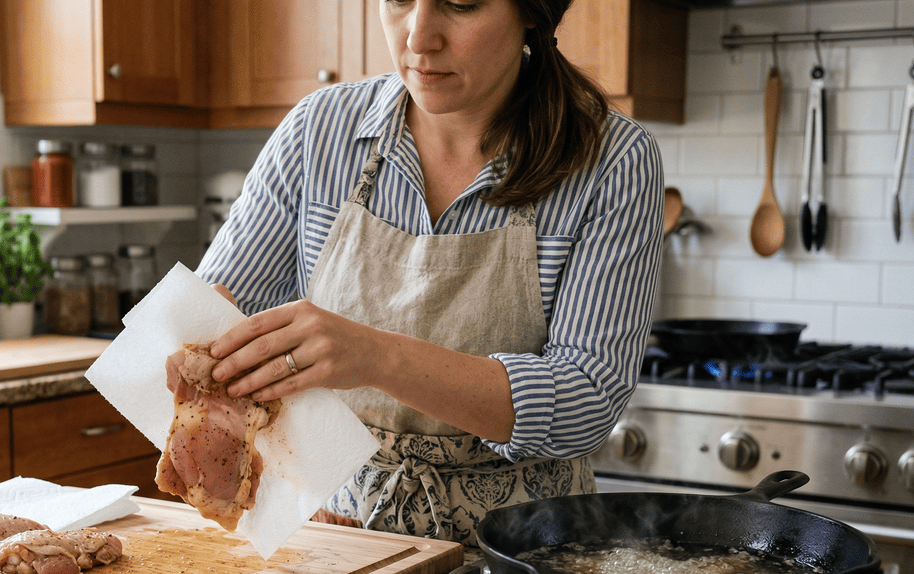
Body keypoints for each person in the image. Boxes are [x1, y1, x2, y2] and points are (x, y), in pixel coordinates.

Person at [196, 0, 663, 545]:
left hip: (526, 555)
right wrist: (280, 491)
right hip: (335, 542)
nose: (418, 38)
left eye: (460, 4)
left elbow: (586, 401)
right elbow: (211, 326)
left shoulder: (612, 158)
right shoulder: (318, 131)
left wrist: (377, 357)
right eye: (397, 0)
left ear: (531, 13)